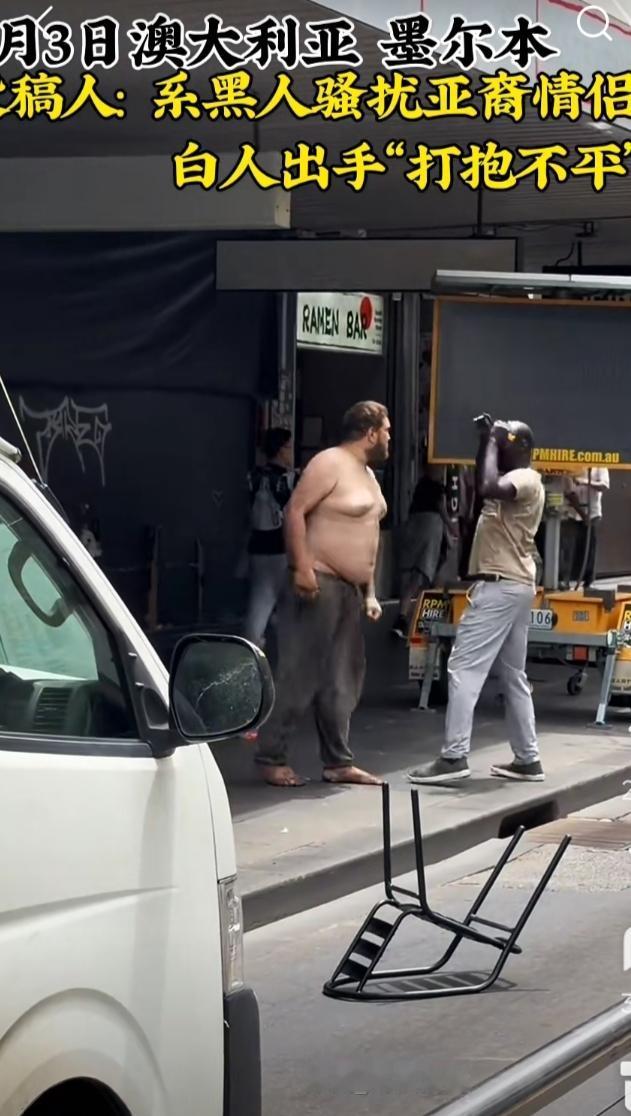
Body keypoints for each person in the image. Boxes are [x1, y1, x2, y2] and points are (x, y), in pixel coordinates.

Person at [254, 401, 390, 788]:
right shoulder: (329, 463)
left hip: (350, 590)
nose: (389, 438)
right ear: (370, 433)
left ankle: (338, 762)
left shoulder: (368, 475)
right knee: (299, 673)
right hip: (319, 582)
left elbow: (370, 535)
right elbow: (295, 511)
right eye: (386, 431)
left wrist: (370, 591)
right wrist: (301, 567)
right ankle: (270, 756)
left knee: (342, 678)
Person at [408, 416, 545, 785]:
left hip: (501, 586)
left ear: (520, 448)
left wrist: (493, 440)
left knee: (463, 667)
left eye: (504, 444)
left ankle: (454, 756)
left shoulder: (525, 478)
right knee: (513, 675)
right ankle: (528, 759)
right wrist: (487, 440)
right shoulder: (513, 478)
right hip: (512, 585)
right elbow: (486, 476)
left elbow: (485, 485)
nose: (497, 450)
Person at [243, 428, 296, 649]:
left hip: (257, 547)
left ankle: (254, 644)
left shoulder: (253, 476)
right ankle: (258, 647)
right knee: (282, 603)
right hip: (280, 548)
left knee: (262, 601)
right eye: (289, 447)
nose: (291, 452)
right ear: (281, 450)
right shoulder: (288, 479)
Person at [391, 464, 456, 640]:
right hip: (429, 531)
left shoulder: (420, 487)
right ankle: (418, 622)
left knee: (414, 578)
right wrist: (452, 529)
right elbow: (441, 510)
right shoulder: (437, 488)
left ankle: (404, 618)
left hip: (414, 528)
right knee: (424, 577)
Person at [563, 467, 609, 589]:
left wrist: (585, 482)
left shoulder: (599, 466)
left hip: (593, 512)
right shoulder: (571, 467)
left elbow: (604, 486)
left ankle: (589, 581)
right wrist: (583, 514)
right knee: (568, 548)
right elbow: (568, 492)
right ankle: (564, 580)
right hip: (573, 512)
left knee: (590, 548)